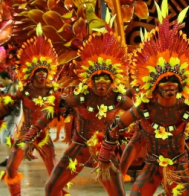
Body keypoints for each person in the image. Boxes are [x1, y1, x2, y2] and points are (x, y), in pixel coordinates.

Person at [100, 10, 189, 196]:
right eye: (164, 80)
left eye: (174, 80)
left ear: (181, 84)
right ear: (154, 85)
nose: (170, 84)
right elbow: (115, 127)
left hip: (179, 167)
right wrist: (104, 157)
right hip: (152, 166)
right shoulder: (144, 108)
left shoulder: (185, 109)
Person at [23, 33, 134, 196]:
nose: (101, 82)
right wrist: (30, 137)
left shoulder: (118, 98)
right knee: (51, 188)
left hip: (104, 152)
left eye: (105, 78)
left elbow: (141, 115)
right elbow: (51, 113)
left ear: (112, 80)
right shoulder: (80, 97)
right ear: (90, 79)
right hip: (78, 149)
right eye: (98, 78)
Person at [0, 36, 59, 195]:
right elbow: (7, 106)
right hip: (24, 133)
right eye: (39, 71)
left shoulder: (52, 91)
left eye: (45, 71)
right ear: (32, 74)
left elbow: (58, 111)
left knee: (55, 172)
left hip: (43, 135)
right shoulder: (24, 90)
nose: (42, 74)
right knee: (11, 168)